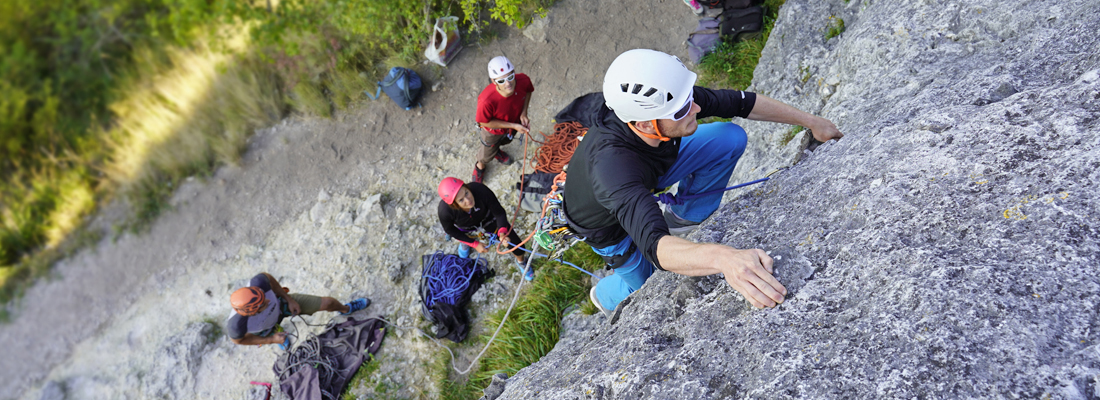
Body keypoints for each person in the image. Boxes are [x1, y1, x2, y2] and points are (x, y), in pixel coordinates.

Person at [563, 49, 843, 313]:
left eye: (689, 100)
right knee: (646, 282)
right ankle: (604, 294)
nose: (696, 106)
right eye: (683, 108)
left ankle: (683, 223)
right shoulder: (612, 169)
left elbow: (741, 102)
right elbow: (655, 246)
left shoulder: (665, 103)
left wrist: (810, 121)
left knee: (728, 138)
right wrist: (726, 259)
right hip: (608, 225)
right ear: (646, 124)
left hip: (650, 169)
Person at [226, 272, 370, 347]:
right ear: (253, 312)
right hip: (266, 327)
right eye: (263, 304)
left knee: (327, 303)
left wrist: (289, 299)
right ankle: (280, 339)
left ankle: (346, 309)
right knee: (278, 336)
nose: (268, 300)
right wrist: (270, 340)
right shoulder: (236, 325)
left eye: (265, 297)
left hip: (282, 305)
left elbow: (269, 277)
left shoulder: (259, 282)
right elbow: (239, 341)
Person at [437, 177, 533, 280]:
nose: (468, 200)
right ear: (454, 205)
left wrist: (502, 232)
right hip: (466, 228)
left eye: (466, 193)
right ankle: (465, 242)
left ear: (467, 187)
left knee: (517, 246)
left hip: (488, 220)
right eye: (461, 200)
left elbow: (499, 213)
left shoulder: (480, 190)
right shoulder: (445, 211)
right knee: (463, 235)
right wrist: (474, 243)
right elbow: (450, 230)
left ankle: (521, 262)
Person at [473, 56, 535, 183]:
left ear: (514, 73)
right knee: (485, 155)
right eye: (501, 81)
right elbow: (483, 121)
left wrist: (524, 113)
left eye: (510, 77)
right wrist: (512, 126)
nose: (508, 83)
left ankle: (496, 151)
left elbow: (528, 91)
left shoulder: (523, 80)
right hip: (493, 131)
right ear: (493, 81)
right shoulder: (486, 100)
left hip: (513, 123)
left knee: (505, 141)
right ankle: (480, 166)